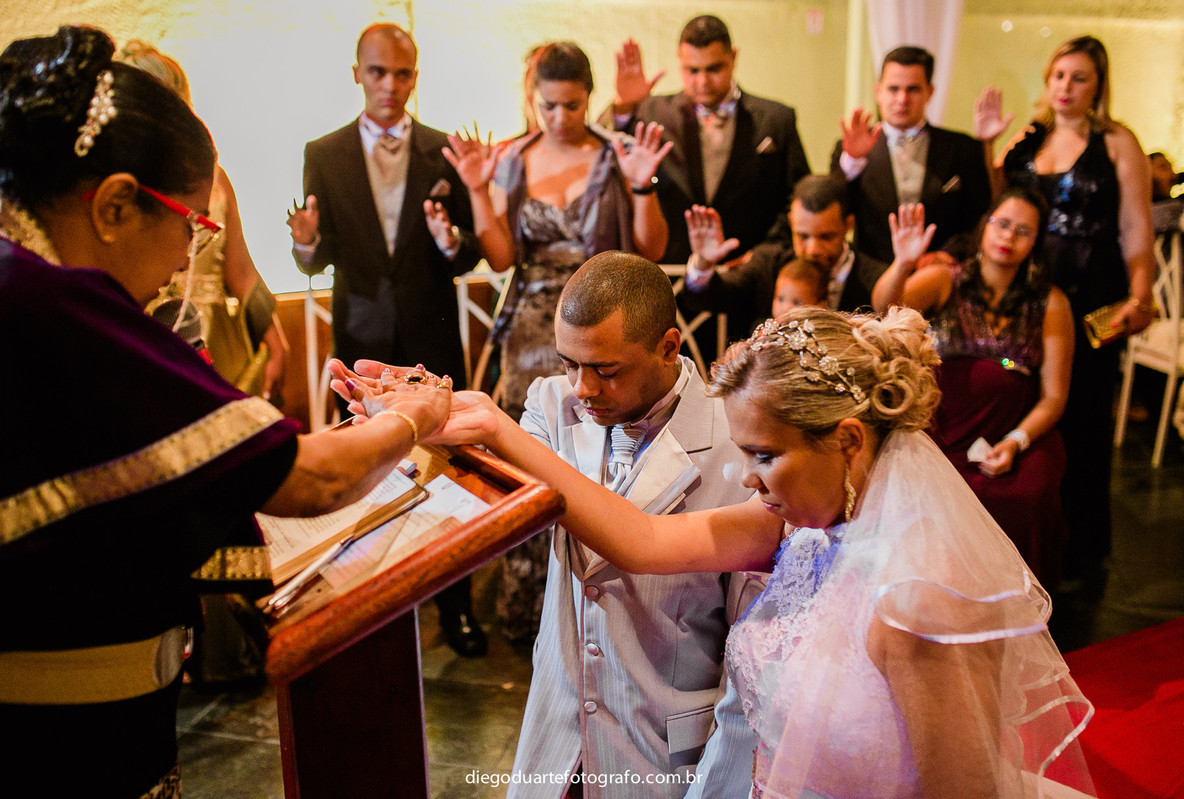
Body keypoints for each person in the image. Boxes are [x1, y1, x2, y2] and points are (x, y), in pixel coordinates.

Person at [345, 304, 1097, 797]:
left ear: (847, 439)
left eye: (765, 455)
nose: (745, 476)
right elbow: (638, 539)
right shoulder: (796, 528)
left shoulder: (918, 602)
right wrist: (482, 420)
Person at [0, 26, 454, 798]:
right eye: (190, 224)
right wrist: (416, 415)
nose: (186, 255)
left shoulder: (8, 267)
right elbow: (313, 480)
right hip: (53, 742)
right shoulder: (46, 302)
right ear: (114, 205)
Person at [338, 251, 758, 798]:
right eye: (568, 364)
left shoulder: (738, 443)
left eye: (606, 370)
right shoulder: (551, 403)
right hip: (559, 735)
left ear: (668, 347)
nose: (582, 388)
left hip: (664, 751)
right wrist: (424, 424)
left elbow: (745, 676)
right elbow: (495, 488)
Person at [443, 42, 671, 641]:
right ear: (533, 99)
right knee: (531, 452)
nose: (560, 118)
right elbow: (500, 258)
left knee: (602, 452)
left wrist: (642, 187)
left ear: (589, 98)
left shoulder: (616, 154)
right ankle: (529, 606)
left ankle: (607, 595)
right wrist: (477, 189)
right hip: (532, 325)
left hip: (605, 324)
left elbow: (652, 250)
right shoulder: (513, 159)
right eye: (548, 106)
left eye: (572, 105)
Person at [286, 23, 485, 655]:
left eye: (402, 74)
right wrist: (306, 243)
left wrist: (452, 242)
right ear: (357, 74)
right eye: (378, 72)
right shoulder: (324, 151)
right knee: (366, 464)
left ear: (415, 77)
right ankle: (365, 601)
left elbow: (469, 253)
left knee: (448, 458)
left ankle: (455, 606)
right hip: (362, 330)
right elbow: (317, 257)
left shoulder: (443, 149)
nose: (390, 86)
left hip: (431, 328)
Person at [976, 35, 1155, 584]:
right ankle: (1024, 535)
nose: (1066, 87)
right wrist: (988, 145)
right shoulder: (1029, 140)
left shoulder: (1117, 142)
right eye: (1058, 75)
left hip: (1094, 296)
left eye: (1079, 78)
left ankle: (1081, 549)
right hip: (1031, 295)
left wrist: (1141, 294)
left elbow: (1135, 226)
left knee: (1085, 415)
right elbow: (999, 204)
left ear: (1098, 86)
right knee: (1027, 402)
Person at [873, 191, 1073, 589]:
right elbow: (884, 309)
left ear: (1036, 241)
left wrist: (1016, 441)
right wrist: (903, 264)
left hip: (1014, 431)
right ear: (985, 226)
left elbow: (1054, 396)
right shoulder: (946, 280)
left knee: (1031, 493)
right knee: (929, 494)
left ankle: (1020, 600)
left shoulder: (1050, 303)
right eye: (1002, 224)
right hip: (944, 429)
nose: (1008, 237)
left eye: (1023, 231)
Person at [119, 40, 288, 403]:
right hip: (147, 330)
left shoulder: (215, 177)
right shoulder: (121, 185)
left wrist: (274, 336)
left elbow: (240, 269)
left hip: (216, 338)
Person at [602, 15, 811, 265]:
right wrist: (624, 105)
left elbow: (797, 199)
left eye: (714, 69)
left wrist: (762, 256)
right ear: (679, 61)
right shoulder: (652, 112)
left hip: (750, 270)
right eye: (692, 70)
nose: (702, 81)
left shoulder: (777, 119)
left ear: (733, 57)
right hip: (671, 269)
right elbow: (603, 160)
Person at [832, 45, 992, 264]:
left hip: (939, 272)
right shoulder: (850, 149)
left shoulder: (963, 147)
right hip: (871, 273)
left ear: (930, 92)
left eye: (913, 89)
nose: (902, 99)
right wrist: (853, 161)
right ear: (878, 92)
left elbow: (980, 217)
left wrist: (946, 255)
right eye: (893, 89)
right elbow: (834, 213)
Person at [678, 174, 888, 339]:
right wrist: (703, 263)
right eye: (803, 236)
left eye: (826, 237)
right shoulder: (768, 264)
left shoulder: (876, 279)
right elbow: (709, 298)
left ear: (848, 225)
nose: (813, 249)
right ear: (791, 222)